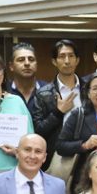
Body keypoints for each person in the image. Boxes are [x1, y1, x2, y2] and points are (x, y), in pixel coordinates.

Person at [31, 39, 83, 169]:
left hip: (84, 153)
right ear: (54, 61)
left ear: (77, 60)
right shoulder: (43, 94)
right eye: (62, 56)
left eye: (71, 56)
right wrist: (58, 112)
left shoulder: (89, 89)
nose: (67, 61)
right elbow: (38, 131)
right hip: (56, 157)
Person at [8, 42, 47, 113]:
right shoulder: (3, 90)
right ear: (11, 66)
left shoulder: (48, 90)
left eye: (31, 59)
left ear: (36, 65)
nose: (27, 63)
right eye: (21, 60)